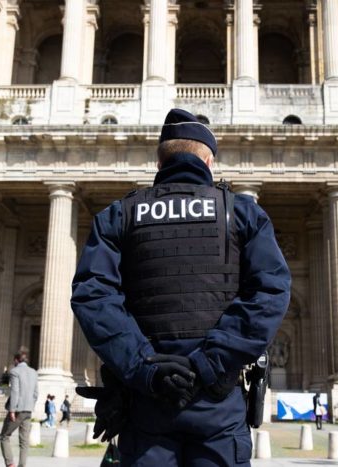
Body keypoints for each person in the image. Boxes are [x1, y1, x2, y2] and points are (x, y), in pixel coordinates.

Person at [71, 108, 291, 467]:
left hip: (146, 399)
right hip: (218, 402)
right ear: (208, 162)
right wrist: (208, 364)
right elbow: (269, 294)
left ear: (160, 163)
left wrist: (145, 368)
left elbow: (93, 297)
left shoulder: (120, 215)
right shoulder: (241, 213)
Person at [0, 350, 39, 467]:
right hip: (28, 410)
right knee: (24, 442)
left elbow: (15, 391)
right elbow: (36, 393)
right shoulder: (33, 372)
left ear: (16, 360)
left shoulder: (15, 371)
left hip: (18, 410)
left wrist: (12, 410)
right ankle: (22, 465)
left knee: (4, 436)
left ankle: (10, 463)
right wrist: (31, 405)